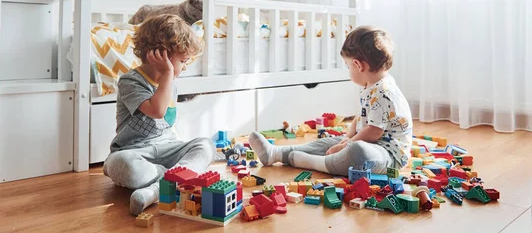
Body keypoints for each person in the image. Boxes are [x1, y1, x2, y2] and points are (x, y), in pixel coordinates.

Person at [248, 26, 412, 175]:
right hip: (371, 141)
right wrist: (346, 138)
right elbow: (361, 117)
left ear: (358, 65)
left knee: (358, 152)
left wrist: (348, 144)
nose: (348, 70)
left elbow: (373, 132)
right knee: (328, 143)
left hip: (389, 157)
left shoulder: (383, 92)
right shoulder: (371, 86)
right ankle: (276, 154)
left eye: (348, 66)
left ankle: (312, 162)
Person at [103, 14, 215, 215]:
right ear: (162, 55)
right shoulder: (131, 81)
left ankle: (156, 189)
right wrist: (168, 75)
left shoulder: (170, 82)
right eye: (183, 60)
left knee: (206, 145)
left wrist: (168, 76)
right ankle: (178, 177)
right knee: (123, 165)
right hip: (135, 151)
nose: (186, 66)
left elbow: (168, 125)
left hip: (168, 150)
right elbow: (157, 111)